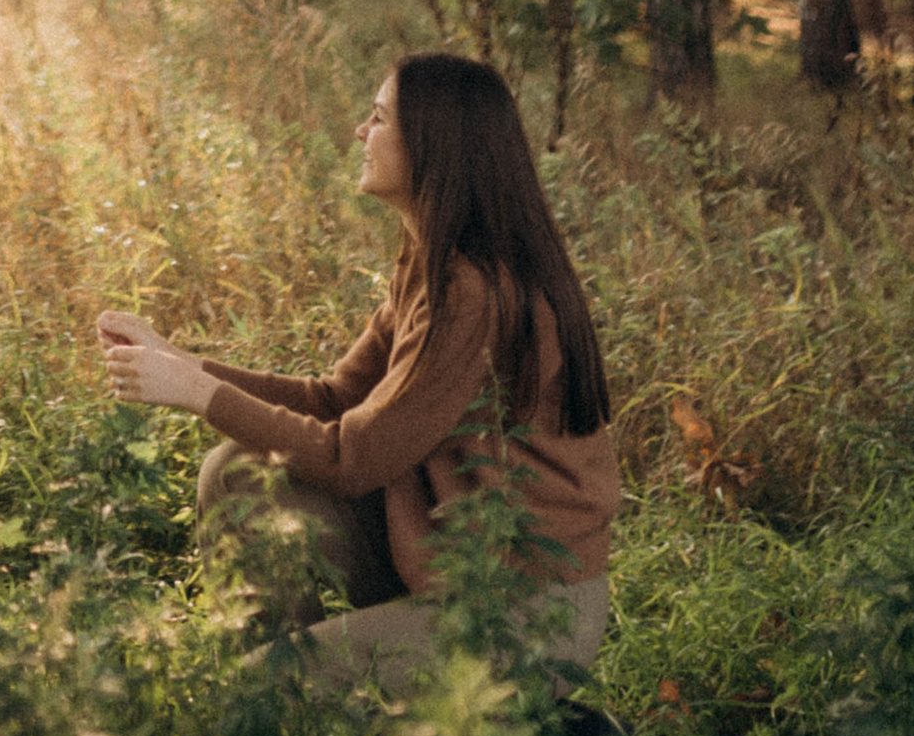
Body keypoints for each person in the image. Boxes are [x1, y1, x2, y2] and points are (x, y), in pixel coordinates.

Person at [97, 52, 618, 690]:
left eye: (376, 118)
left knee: (266, 687)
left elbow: (354, 458)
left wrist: (198, 394)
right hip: (443, 553)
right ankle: (305, 713)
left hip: (524, 614)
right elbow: (338, 396)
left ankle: (299, 701)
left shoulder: (475, 291)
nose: (358, 134)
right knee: (235, 477)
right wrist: (182, 363)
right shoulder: (432, 260)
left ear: (431, 146)